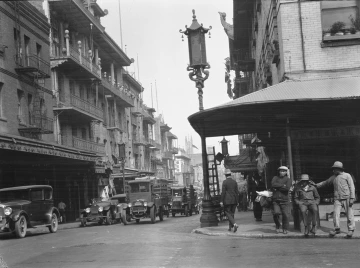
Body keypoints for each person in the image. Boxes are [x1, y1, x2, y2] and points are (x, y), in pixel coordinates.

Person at [316, 161, 356, 238]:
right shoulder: (333, 177)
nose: (333, 170)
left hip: (347, 197)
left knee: (349, 214)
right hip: (337, 199)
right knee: (336, 214)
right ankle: (337, 228)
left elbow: (352, 187)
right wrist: (316, 185)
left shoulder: (347, 175)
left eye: (334, 169)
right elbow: (325, 182)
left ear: (339, 169)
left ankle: (351, 229)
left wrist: (352, 198)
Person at [271, 166, 292, 234]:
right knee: (276, 213)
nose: (282, 172)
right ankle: (277, 225)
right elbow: (273, 184)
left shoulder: (288, 179)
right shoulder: (275, 178)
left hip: (285, 200)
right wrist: (283, 185)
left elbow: (287, 188)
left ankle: (285, 228)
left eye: (284, 171)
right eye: (281, 171)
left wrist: (277, 187)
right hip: (276, 200)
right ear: (279, 171)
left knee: (285, 215)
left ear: (286, 172)